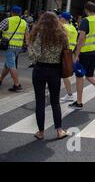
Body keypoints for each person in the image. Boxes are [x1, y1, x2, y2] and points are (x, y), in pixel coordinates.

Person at [27, 12, 68, 140]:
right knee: (55, 101)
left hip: (40, 69)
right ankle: (59, 130)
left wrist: (29, 46)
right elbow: (66, 51)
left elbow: (35, 56)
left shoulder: (39, 34)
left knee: (40, 101)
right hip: (55, 70)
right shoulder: (62, 34)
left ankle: (41, 132)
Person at [69, 2, 95, 110]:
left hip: (84, 52)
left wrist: (76, 55)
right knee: (89, 76)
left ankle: (79, 102)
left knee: (79, 76)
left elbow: (81, 39)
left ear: (86, 9)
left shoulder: (86, 20)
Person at [0, 6, 28, 91]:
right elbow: (27, 35)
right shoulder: (24, 22)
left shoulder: (7, 20)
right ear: (20, 13)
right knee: (7, 65)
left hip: (8, 46)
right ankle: (0, 80)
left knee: (11, 65)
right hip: (18, 47)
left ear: (12, 12)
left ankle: (17, 85)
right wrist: (27, 44)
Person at [59, 12, 78, 102]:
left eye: (60, 18)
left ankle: (69, 94)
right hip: (69, 52)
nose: (59, 19)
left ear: (63, 19)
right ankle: (69, 94)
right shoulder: (73, 27)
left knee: (63, 74)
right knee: (63, 74)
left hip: (62, 52)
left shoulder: (63, 27)